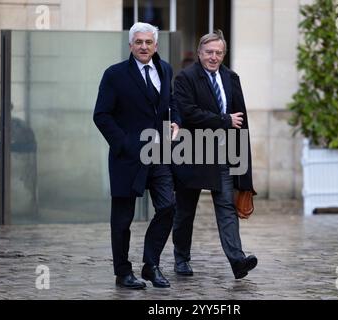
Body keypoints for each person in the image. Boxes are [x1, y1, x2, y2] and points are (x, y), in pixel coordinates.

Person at [93, 22, 180, 289]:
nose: (144, 47)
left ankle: (150, 264)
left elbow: (171, 101)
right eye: (139, 42)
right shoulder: (115, 74)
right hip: (127, 157)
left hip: (159, 154)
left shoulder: (165, 69)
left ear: (156, 45)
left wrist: (176, 120)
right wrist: (125, 145)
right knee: (122, 218)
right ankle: (123, 272)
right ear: (131, 45)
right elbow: (101, 115)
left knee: (167, 206)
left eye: (148, 42)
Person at [172, 30, 257, 280]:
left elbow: (241, 120)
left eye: (219, 52)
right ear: (199, 53)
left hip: (224, 153)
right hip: (194, 152)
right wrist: (223, 120)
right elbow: (188, 113)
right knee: (186, 210)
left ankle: (237, 261)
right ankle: (181, 258)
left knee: (227, 209)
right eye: (209, 52)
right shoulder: (185, 78)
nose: (214, 57)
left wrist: (244, 161)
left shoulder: (231, 78)